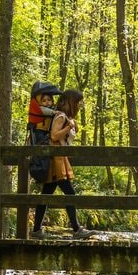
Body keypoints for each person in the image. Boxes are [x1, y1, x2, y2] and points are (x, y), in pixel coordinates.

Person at [31, 88, 94, 239]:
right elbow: (54, 135)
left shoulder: (63, 116)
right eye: (78, 102)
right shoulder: (60, 116)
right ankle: (77, 229)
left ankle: (36, 230)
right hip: (55, 159)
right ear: (72, 102)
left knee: (46, 194)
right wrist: (68, 127)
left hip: (58, 158)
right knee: (69, 193)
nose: (80, 105)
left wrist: (71, 127)